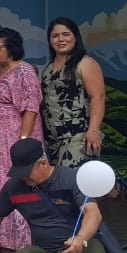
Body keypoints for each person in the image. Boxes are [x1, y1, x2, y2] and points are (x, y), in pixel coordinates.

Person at [0, 28, 44, 253]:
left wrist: (23, 141)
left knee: (18, 183)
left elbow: (30, 107)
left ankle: (20, 241)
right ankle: (3, 239)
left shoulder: (23, 72)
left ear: (12, 49)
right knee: (1, 186)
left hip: (15, 140)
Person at [41, 17, 107, 167]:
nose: (60, 39)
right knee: (57, 180)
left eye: (66, 34)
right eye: (55, 36)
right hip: (52, 139)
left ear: (75, 37)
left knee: (74, 178)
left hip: (77, 136)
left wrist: (93, 130)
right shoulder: (48, 68)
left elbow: (98, 97)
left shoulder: (85, 63)